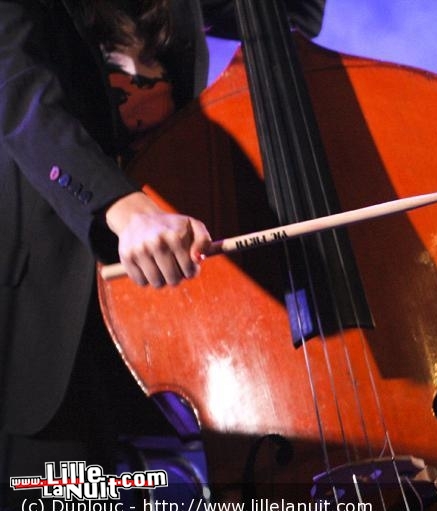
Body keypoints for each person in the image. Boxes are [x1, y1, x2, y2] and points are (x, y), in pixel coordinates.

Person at [0, 0, 324, 507]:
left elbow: (296, 15)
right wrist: (123, 208)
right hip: (53, 331)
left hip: (170, 316)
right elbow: (23, 105)